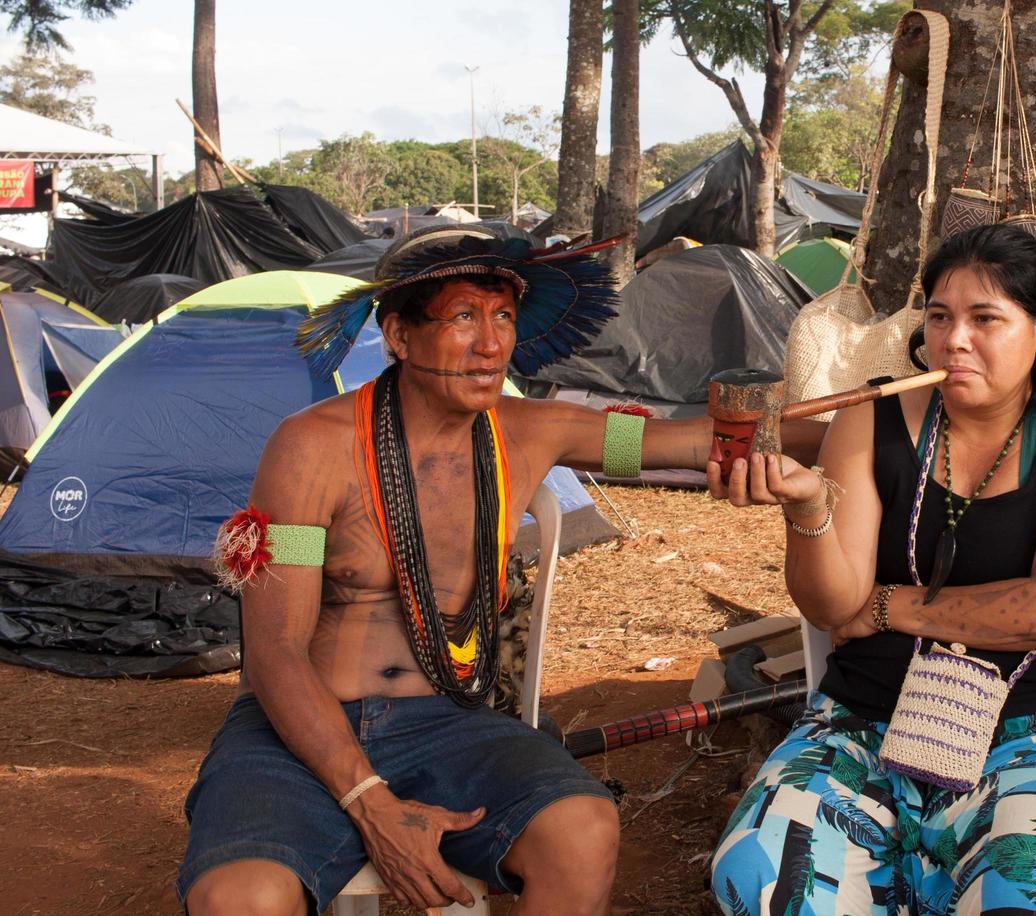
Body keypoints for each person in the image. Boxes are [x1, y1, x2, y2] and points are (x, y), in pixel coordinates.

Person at [179, 227, 821, 916]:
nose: (491, 344)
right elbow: (273, 653)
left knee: (580, 828)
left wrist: (782, 433)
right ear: (398, 334)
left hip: (449, 722)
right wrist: (367, 800)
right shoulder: (311, 447)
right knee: (238, 896)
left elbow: (683, 443)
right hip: (300, 728)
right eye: (462, 318)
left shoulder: (532, 429)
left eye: (503, 317)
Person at [708, 224, 1036, 915]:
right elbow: (832, 607)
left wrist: (888, 608)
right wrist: (807, 508)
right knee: (758, 878)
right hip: (861, 723)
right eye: (939, 317)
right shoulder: (873, 417)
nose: (954, 340)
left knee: (1027, 895)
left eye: (985, 319)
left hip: (1028, 736)